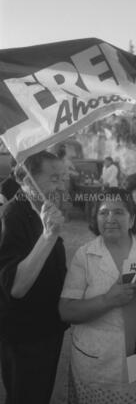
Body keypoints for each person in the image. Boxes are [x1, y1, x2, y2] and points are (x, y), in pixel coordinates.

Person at [59, 188, 136, 404]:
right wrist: (108, 300)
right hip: (95, 367)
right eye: (103, 212)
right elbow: (66, 311)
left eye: (119, 212)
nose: (111, 218)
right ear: (95, 220)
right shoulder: (85, 255)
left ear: (132, 219)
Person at [0, 151, 69, 404]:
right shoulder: (12, 216)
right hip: (25, 335)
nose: (61, 185)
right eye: (53, 178)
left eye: (63, 177)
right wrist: (48, 236)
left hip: (49, 327)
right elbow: (16, 287)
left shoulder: (42, 210)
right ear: (26, 180)